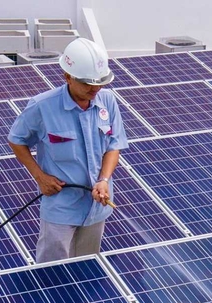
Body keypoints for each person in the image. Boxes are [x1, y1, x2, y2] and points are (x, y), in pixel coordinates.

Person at [8, 37, 127, 262]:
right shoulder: (42, 106)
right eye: (88, 83)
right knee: (52, 272)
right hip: (61, 208)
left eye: (100, 82)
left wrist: (103, 179)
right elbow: (16, 140)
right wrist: (40, 177)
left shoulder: (108, 101)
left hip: (96, 206)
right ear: (67, 77)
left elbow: (114, 145)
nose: (95, 88)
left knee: (86, 267)